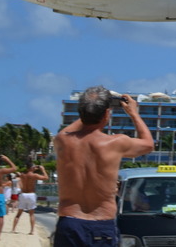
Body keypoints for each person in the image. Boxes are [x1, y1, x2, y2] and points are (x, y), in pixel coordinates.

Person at [53, 86, 153, 247]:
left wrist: (90, 108)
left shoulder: (63, 141)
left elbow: (70, 129)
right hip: (101, 225)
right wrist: (133, 113)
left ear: (81, 112)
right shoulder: (115, 143)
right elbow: (148, 144)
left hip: (69, 223)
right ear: (106, 113)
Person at [11, 163, 49, 235]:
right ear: (31, 168)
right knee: (31, 214)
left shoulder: (23, 175)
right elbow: (46, 177)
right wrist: (42, 169)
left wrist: (33, 168)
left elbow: (16, 175)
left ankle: (13, 229)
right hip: (31, 194)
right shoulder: (34, 175)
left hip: (23, 194)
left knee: (19, 213)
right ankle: (31, 231)